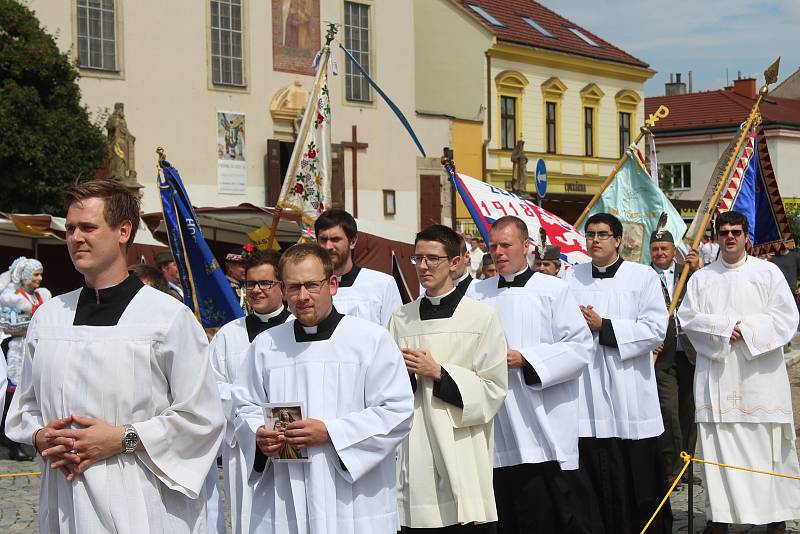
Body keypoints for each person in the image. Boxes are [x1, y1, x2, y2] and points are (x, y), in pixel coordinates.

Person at [5, 179, 224, 533]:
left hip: (142, 502)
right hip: (64, 501)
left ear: (123, 231)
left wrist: (122, 438)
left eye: (88, 227)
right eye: (71, 228)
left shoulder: (166, 318)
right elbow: (26, 407)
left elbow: (201, 417)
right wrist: (40, 436)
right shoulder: (49, 317)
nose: (76, 237)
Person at [231, 243, 414, 534]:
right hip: (285, 492)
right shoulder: (266, 345)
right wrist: (258, 434)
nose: (302, 296)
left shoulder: (370, 340)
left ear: (332, 284)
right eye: (293, 287)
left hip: (353, 497)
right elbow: (244, 406)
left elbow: (398, 412)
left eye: (311, 285)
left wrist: (330, 433)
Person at [466, 216, 600, 534]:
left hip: (541, 414)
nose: (497, 252)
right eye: (493, 246)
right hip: (496, 416)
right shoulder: (476, 292)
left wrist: (527, 359)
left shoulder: (553, 289)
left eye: (505, 245)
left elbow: (580, 348)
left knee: (545, 512)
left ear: (526, 247)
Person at [678, 210, 800, 534]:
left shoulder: (768, 273)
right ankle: (720, 516)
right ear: (716, 237)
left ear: (747, 236)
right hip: (718, 378)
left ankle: (774, 516)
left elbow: (787, 318)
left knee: (766, 451)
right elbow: (687, 317)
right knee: (719, 451)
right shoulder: (702, 279)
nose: (730, 236)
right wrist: (721, 327)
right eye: (723, 232)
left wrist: (744, 329)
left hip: (760, 379)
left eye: (735, 231)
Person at [389, 224, 508, 532]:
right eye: (418, 259)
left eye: (433, 258)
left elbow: (494, 388)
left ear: (455, 263)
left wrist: (440, 374)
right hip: (415, 442)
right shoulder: (401, 318)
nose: (424, 266)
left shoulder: (481, 317)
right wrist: (405, 376)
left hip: (461, 443)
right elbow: (388, 386)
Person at [565, 212, 671, 533]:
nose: (594, 240)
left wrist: (604, 326)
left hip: (628, 387)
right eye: (590, 234)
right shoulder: (570, 278)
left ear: (618, 240)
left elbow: (655, 330)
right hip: (587, 388)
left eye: (602, 234)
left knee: (634, 474)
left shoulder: (642, 277)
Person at [208, 249, 291, 534]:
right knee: (246, 519)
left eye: (265, 283)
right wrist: (251, 410)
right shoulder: (229, 334)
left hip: (288, 441)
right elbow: (211, 385)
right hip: (243, 445)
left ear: (282, 285)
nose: (256, 290)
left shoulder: (298, 330)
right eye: (250, 283)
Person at [648, 230, 701, 483]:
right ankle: (672, 467)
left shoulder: (688, 272)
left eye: (664, 248)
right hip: (662, 354)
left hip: (690, 352)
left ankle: (688, 465)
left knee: (689, 411)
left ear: (673, 250)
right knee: (668, 411)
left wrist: (698, 270)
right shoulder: (643, 276)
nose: (660, 253)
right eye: (655, 248)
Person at [0, 256, 51, 461]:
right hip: (17, 350)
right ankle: (11, 442)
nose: (39, 279)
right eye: (36, 274)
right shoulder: (12, 297)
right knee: (13, 395)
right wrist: (30, 327)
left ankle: (26, 438)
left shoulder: (41, 296)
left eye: (40, 274)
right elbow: (8, 326)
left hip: (38, 348)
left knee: (32, 394)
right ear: (25, 276)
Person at [314, 209, 402, 327]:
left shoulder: (382, 284)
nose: (328, 246)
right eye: (323, 240)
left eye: (335, 239)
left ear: (353, 241)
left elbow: (394, 335)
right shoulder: (308, 288)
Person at [225, 248, 248, 313]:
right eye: (243, 267)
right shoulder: (222, 285)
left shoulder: (249, 287)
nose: (246, 270)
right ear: (231, 267)